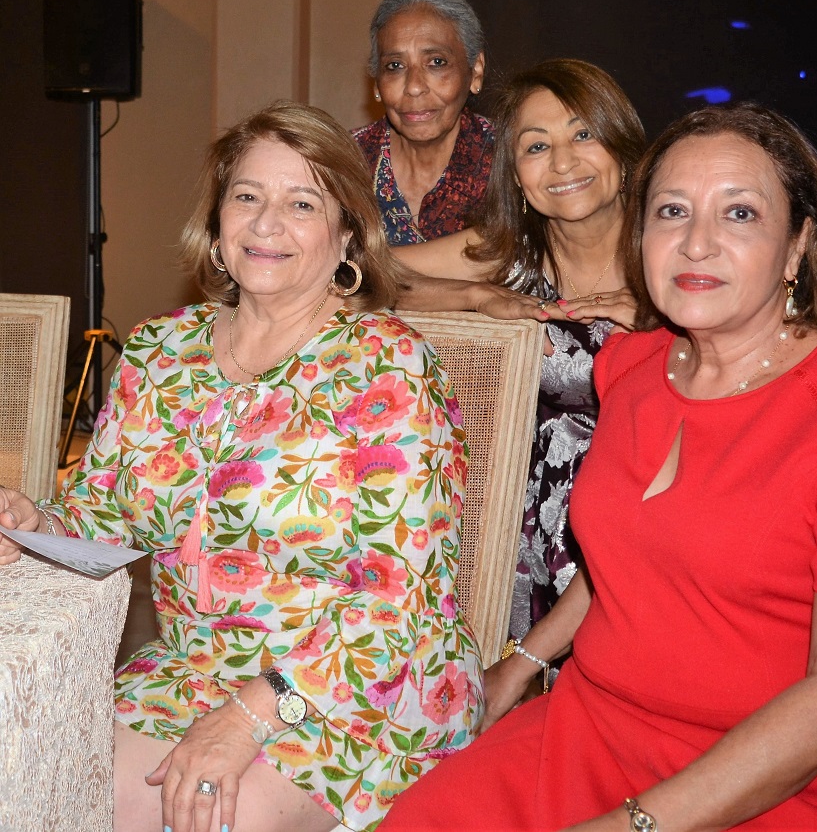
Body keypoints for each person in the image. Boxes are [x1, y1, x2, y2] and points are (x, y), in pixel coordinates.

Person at [379, 101, 817, 831]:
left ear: (797, 245)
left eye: (740, 214)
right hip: (595, 732)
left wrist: (635, 825)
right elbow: (624, 556)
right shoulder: (631, 368)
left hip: (792, 783)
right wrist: (524, 661)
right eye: (671, 211)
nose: (696, 243)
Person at [0, 100, 483, 832]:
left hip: (358, 686)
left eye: (301, 203)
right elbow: (102, 518)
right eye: (248, 196)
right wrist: (40, 523)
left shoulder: (388, 367)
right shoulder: (162, 351)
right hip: (192, 669)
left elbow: (398, 602)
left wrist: (254, 713)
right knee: (39, 775)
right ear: (219, 224)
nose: (266, 223)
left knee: (199, 815)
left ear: (346, 234)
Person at [392, 58, 646, 652]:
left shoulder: (675, 250)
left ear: (622, 146)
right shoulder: (508, 257)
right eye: (537, 146)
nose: (562, 162)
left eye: (583, 134)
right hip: (512, 533)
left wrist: (669, 318)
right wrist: (476, 295)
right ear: (516, 176)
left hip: (643, 537)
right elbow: (352, 277)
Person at [354, 0, 493, 245]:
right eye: (394, 66)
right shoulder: (343, 163)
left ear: (475, 71)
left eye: (436, 63)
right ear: (376, 84)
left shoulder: (510, 161)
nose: (414, 87)